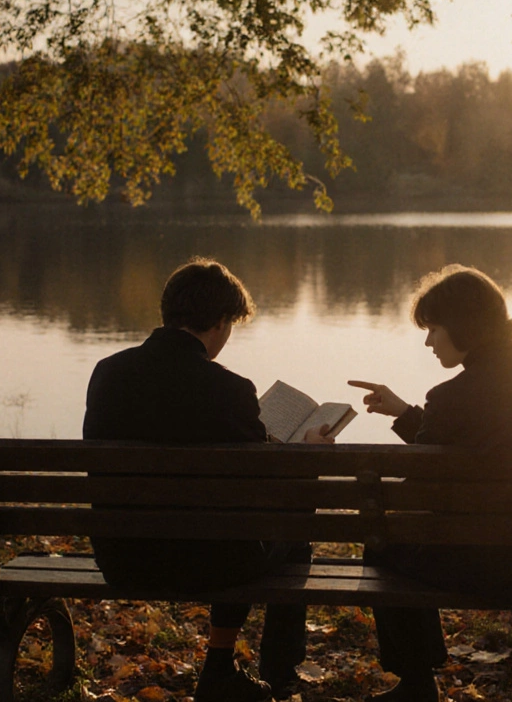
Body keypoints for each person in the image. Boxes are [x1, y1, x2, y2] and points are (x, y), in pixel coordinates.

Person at [347, 264, 512, 702]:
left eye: (433, 329)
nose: (428, 341)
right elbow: (487, 445)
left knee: (383, 541)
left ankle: (417, 684)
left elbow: (419, 484)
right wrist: (406, 414)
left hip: (494, 567)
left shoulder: (450, 399)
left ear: (461, 327)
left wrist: (418, 421)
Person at [84, 258, 325, 702]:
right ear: (219, 322)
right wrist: (303, 452)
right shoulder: (229, 389)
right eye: (231, 324)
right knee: (295, 521)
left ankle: (228, 669)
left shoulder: (108, 373)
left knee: (236, 526)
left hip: (123, 557)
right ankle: (270, 674)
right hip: (210, 562)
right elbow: (267, 484)